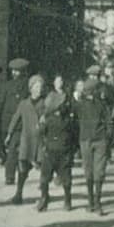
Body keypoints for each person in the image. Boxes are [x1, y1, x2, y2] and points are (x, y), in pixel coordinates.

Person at [37, 75, 76, 211]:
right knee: (45, 177)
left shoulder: (68, 115)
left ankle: (67, 200)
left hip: (63, 147)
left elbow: (73, 132)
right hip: (50, 148)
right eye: (57, 81)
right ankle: (44, 198)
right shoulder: (49, 105)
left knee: (66, 177)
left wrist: (71, 150)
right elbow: (41, 132)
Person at [5, 74, 45, 205]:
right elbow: (15, 119)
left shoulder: (44, 103)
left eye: (41, 87)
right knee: (22, 168)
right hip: (26, 140)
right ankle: (18, 194)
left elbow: (50, 120)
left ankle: (45, 195)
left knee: (43, 168)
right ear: (31, 88)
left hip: (40, 141)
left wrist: (44, 124)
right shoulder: (23, 104)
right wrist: (9, 134)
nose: (39, 89)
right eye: (36, 86)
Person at [74, 78, 110, 215]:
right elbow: (109, 122)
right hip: (95, 140)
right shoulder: (83, 105)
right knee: (95, 172)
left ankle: (93, 202)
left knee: (91, 171)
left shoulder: (82, 104)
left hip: (88, 140)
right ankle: (96, 202)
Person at [0, 58, 29, 185]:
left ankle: (13, 175)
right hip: (9, 122)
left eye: (18, 71)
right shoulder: (6, 86)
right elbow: (0, 103)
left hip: (23, 122)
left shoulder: (27, 86)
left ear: (23, 71)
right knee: (12, 149)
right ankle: (11, 175)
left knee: (16, 149)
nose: (15, 73)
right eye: (13, 71)